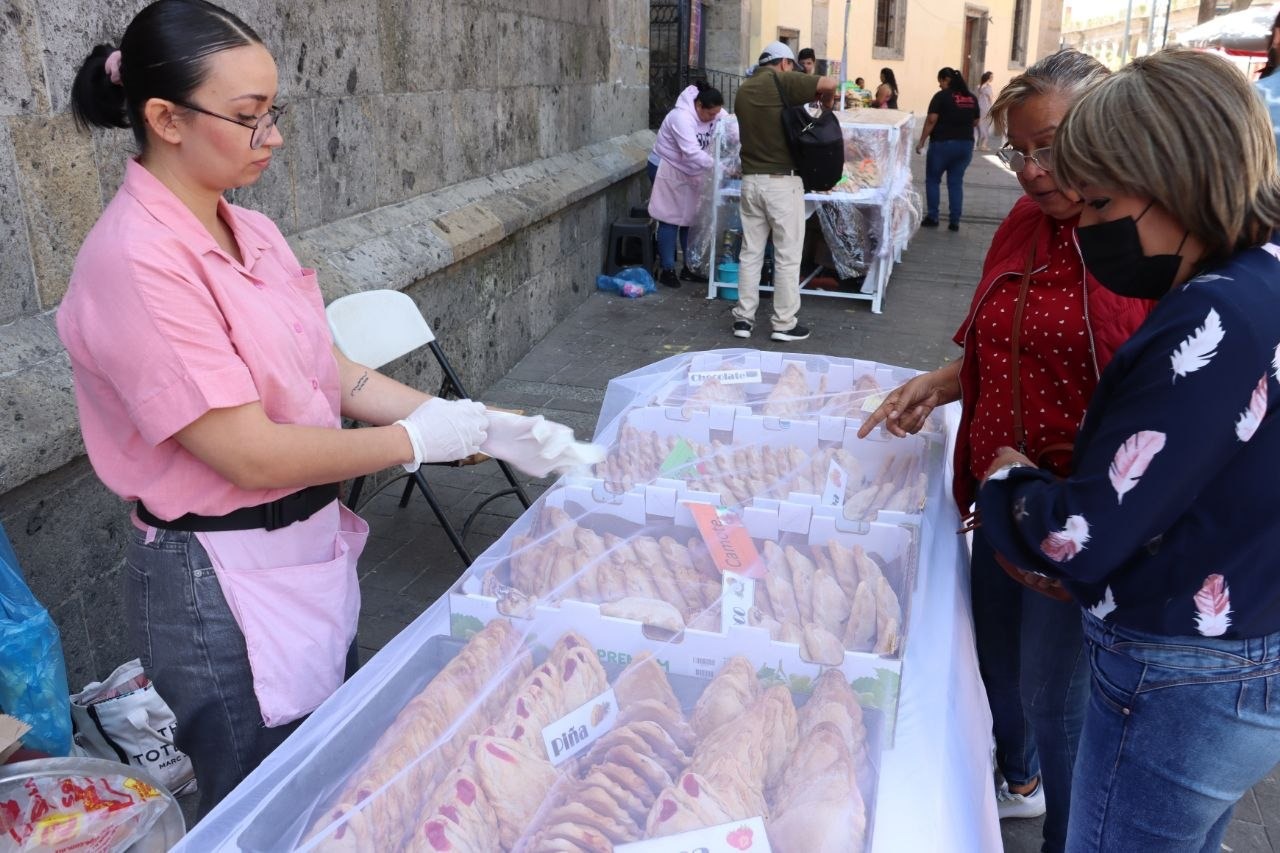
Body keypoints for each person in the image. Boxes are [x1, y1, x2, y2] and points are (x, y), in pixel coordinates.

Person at [62, 0, 588, 816]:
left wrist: (479, 422)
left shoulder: (254, 231)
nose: (271, 137)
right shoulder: (137, 261)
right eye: (247, 118)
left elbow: (332, 373)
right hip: (220, 577)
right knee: (262, 803)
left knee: (325, 775)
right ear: (164, 118)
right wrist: (419, 440)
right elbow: (249, 454)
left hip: (303, 548)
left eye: (275, 112)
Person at [977, 47, 1280, 853]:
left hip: (1180, 672)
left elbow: (1083, 530)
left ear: (1176, 181)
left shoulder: (1213, 317)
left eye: (1102, 200)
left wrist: (1010, 486)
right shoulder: (1262, 279)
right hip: (1237, 646)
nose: (1088, 225)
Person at [860, 49, 1154, 853]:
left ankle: (1070, 830)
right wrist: (945, 380)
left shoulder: (1140, 240)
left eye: (1051, 146)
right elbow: (1006, 340)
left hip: (1076, 519)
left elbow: (1157, 390)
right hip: (999, 505)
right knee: (996, 664)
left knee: (1060, 703)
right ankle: (1018, 782)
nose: (1030, 170)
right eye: (1020, 150)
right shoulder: (1025, 222)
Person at [728, 41, 838, 343]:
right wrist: (827, 104)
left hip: (750, 181)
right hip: (782, 182)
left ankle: (743, 320)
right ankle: (784, 323)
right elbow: (829, 83)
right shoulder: (783, 80)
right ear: (785, 63)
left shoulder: (744, 89)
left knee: (750, 254)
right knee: (787, 256)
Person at [648, 82, 724, 288]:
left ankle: (690, 267)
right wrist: (721, 167)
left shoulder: (714, 110)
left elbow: (729, 124)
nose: (713, 118)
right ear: (699, 105)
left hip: (692, 170)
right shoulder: (680, 117)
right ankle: (668, 269)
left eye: (716, 114)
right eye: (710, 114)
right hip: (667, 166)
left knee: (690, 218)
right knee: (670, 217)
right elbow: (690, 152)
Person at [916, 67, 980, 230]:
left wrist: (922, 141)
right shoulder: (971, 97)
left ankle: (933, 217)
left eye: (941, 81)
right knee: (955, 183)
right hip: (965, 145)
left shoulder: (941, 97)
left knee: (933, 180)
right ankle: (954, 221)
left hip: (942, 145)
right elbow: (975, 121)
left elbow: (931, 119)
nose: (940, 85)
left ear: (946, 79)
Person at [976, 70, 995, 150]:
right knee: (986, 126)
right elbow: (990, 98)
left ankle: (977, 144)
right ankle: (984, 144)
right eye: (992, 77)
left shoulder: (979, 86)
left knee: (979, 125)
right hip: (986, 108)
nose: (992, 78)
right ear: (989, 77)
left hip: (979, 107)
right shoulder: (988, 87)